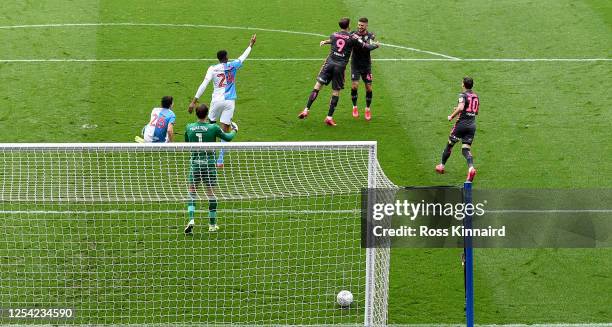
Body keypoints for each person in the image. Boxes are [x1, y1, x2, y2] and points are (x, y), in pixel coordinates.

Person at [188, 34, 256, 166]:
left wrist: (194, 101)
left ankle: (209, 155)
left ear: (218, 59)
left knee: (210, 126)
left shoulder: (212, 69)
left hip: (216, 101)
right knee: (225, 129)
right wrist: (250, 45)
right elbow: (243, 57)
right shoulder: (233, 65)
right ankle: (220, 160)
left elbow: (204, 84)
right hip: (229, 101)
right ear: (226, 57)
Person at [298, 17, 379, 126]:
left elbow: (333, 41)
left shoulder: (334, 34)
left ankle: (306, 109)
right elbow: (366, 46)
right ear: (349, 25)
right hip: (339, 67)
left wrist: (325, 42)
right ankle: (329, 117)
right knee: (335, 92)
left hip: (329, 64)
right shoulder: (352, 37)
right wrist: (376, 45)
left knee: (317, 87)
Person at [184, 104, 238, 234]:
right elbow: (228, 138)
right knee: (211, 194)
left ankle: (191, 219)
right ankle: (212, 225)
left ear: (197, 114)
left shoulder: (189, 127)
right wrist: (235, 130)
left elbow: (187, 141)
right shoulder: (213, 128)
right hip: (209, 165)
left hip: (195, 164)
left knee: (192, 192)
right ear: (207, 114)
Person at [435, 77, 480, 182]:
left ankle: (441, 166)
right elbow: (475, 112)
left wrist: (451, 116)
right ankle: (471, 168)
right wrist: (462, 110)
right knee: (466, 149)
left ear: (463, 85)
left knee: (449, 144)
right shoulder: (476, 96)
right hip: (472, 126)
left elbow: (460, 108)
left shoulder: (462, 95)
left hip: (461, 125)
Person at [350, 17, 377, 120]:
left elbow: (369, 45)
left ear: (366, 26)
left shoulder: (370, 35)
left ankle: (367, 109)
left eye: (362, 25)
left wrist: (373, 44)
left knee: (369, 87)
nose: (360, 27)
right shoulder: (353, 34)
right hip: (355, 64)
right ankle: (355, 107)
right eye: (359, 25)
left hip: (366, 66)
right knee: (354, 86)